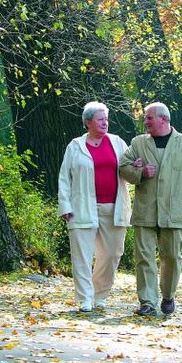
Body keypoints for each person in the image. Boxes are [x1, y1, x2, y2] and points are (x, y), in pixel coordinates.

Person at [119, 102, 182, 316]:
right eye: (145, 118)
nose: (145, 122)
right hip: (145, 211)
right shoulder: (138, 143)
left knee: (172, 257)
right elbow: (123, 166)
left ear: (163, 119)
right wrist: (141, 173)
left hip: (172, 212)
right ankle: (147, 302)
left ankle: (168, 296)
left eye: (149, 118)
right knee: (143, 258)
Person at [58, 101, 132, 312]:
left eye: (106, 119)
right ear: (88, 122)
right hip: (82, 207)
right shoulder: (75, 146)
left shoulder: (117, 143)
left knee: (113, 253)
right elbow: (64, 178)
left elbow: (128, 166)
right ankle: (84, 299)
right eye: (100, 119)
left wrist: (136, 166)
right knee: (81, 255)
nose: (105, 123)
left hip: (114, 208)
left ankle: (100, 294)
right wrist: (65, 205)